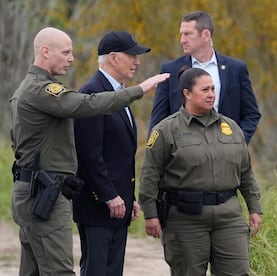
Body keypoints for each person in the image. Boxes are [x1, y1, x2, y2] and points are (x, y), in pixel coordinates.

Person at [9, 26, 169, 276]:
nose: (71, 58)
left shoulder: (32, 89)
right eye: (66, 52)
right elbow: (86, 105)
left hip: (38, 190)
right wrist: (139, 90)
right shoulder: (41, 90)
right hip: (44, 193)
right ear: (45, 52)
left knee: (34, 271)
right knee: (59, 271)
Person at [139, 67, 262, 276]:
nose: (211, 94)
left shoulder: (231, 127)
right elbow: (150, 176)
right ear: (187, 93)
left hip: (228, 216)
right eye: (205, 89)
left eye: (213, 89)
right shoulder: (166, 130)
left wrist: (254, 207)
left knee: (237, 272)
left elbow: (246, 172)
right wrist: (150, 215)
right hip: (186, 218)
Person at [72, 31, 151, 276]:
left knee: (113, 272)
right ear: (114, 58)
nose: (137, 62)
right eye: (132, 56)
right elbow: (88, 153)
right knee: (96, 271)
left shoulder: (118, 94)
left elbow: (118, 155)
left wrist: (129, 197)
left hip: (118, 205)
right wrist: (108, 195)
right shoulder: (93, 93)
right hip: (98, 207)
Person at [149, 10, 261, 145]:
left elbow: (251, 114)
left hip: (226, 154)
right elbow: (158, 119)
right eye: (181, 34)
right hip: (183, 155)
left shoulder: (236, 69)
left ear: (206, 35)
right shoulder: (170, 70)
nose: (182, 40)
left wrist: (238, 143)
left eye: (188, 34)